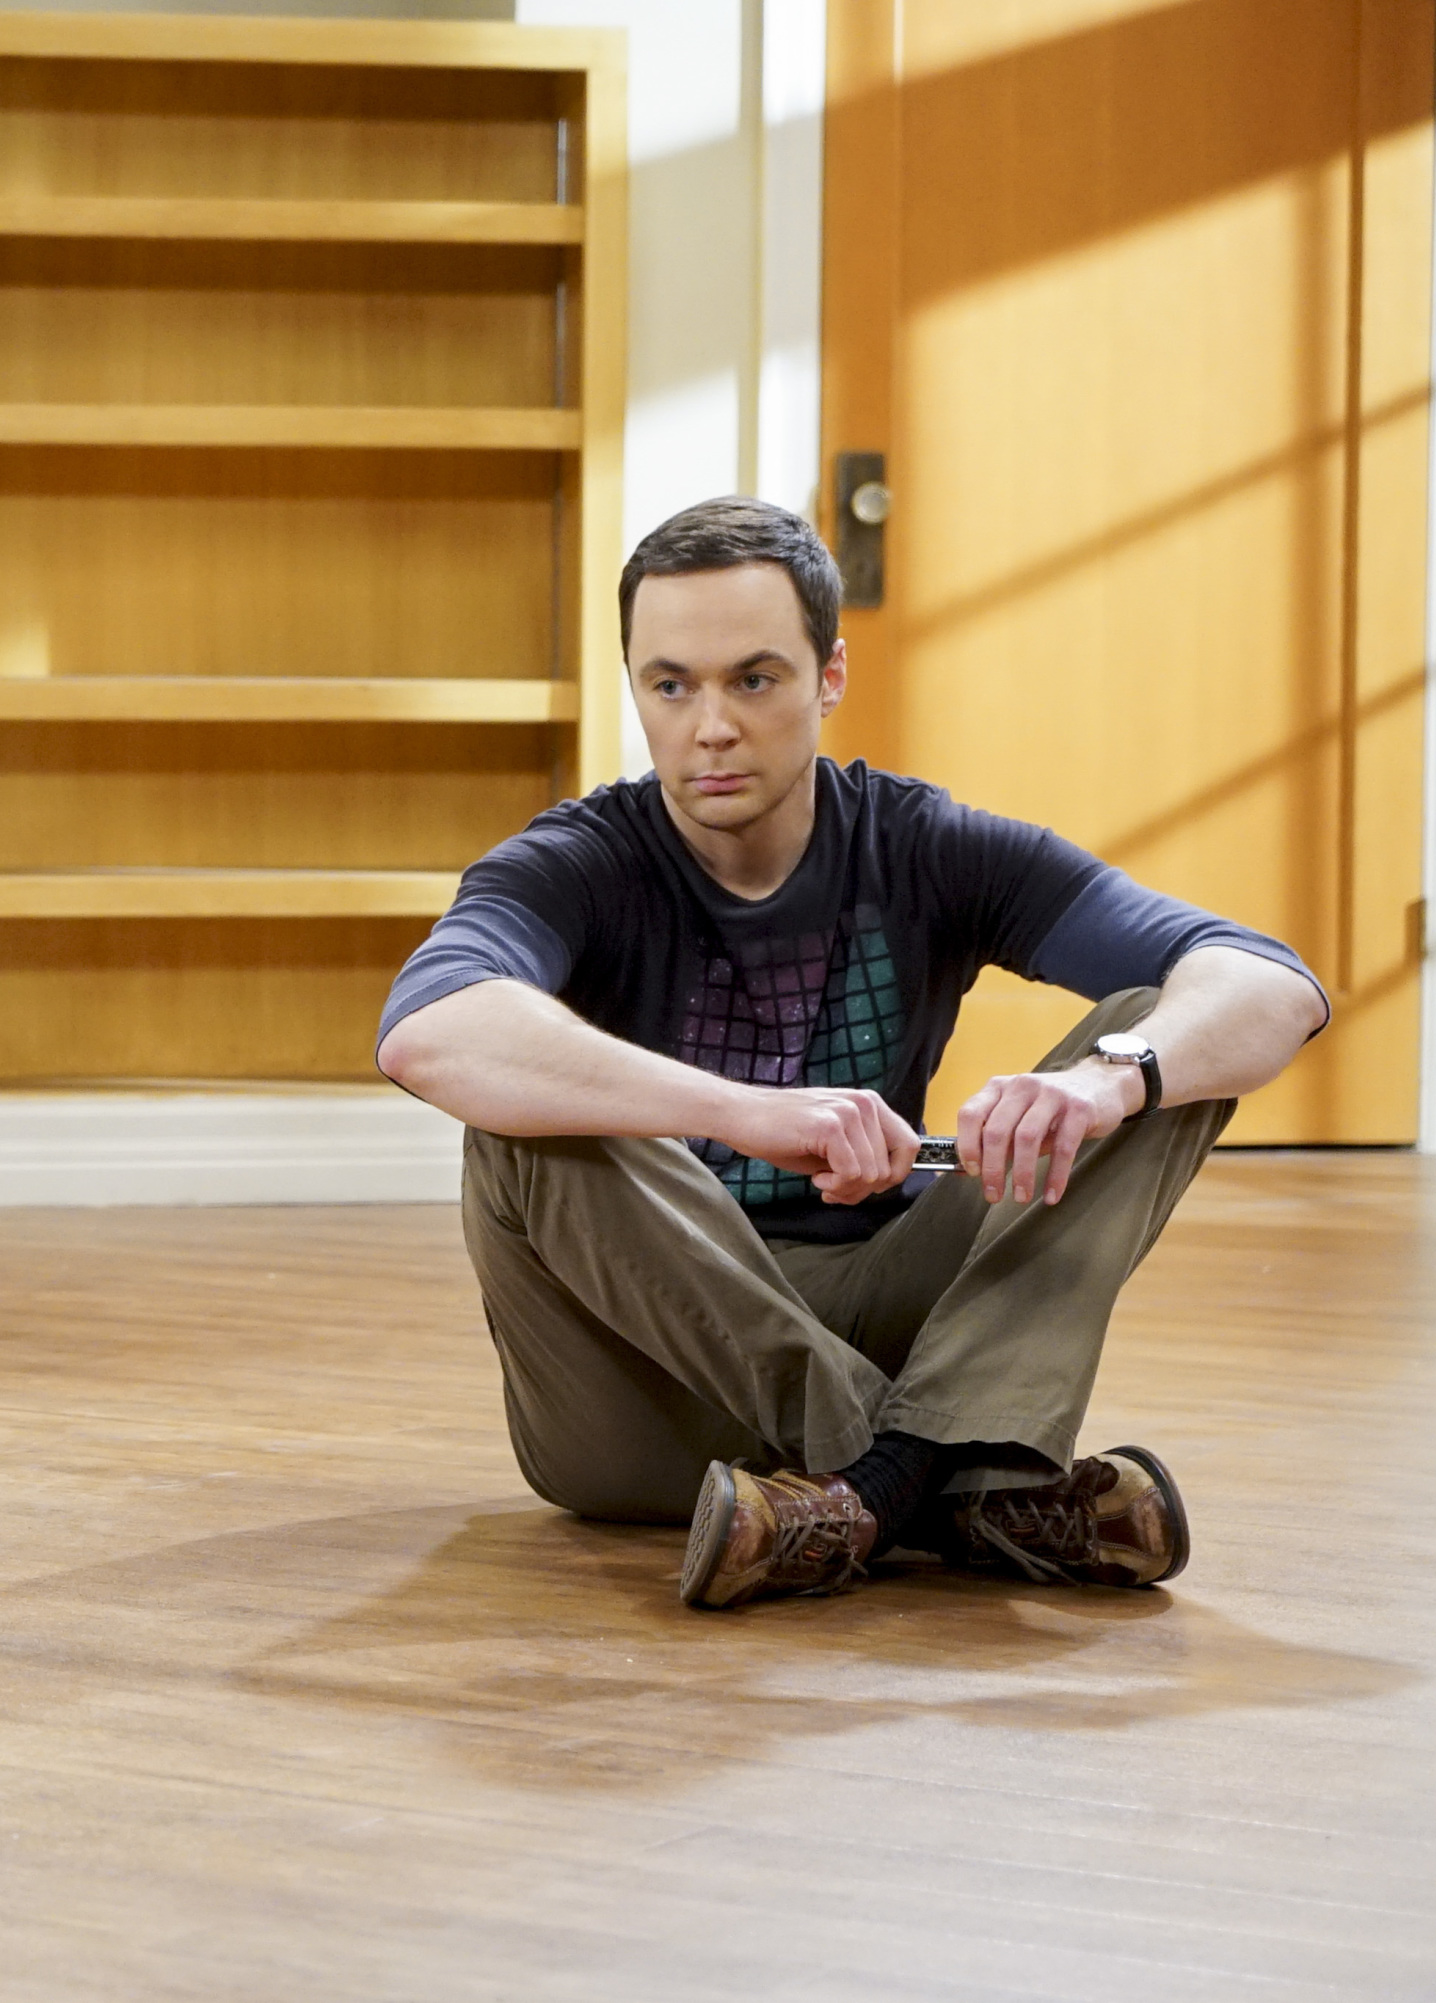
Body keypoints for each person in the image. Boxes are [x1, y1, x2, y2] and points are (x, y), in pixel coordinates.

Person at [374, 497, 1325, 1611]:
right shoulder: (576, 862)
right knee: (522, 1111)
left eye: (755, 679)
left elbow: (1272, 981)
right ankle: (953, 1474)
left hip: (873, 1311)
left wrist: (1109, 1078)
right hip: (639, 1397)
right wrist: (745, 1110)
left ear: (830, 675)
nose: (709, 726)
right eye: (669, 684)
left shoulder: (924, 843)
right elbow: (426, 1030)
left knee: (1152, 1033)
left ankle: (863, 1496)